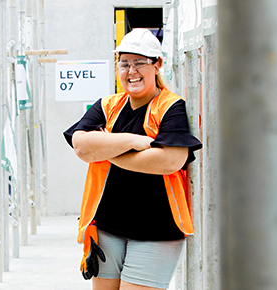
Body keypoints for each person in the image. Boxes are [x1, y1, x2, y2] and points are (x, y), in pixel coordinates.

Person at [63, 28, 202, 290]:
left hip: (157, 232)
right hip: (107, 229)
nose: (131, 71)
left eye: (140, 62)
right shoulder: (108, 105)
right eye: (124, 63)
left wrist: (107, 150)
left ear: (157, 65)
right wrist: (133, 142)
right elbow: (81, 146)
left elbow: (170, 160)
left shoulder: (171, 107)